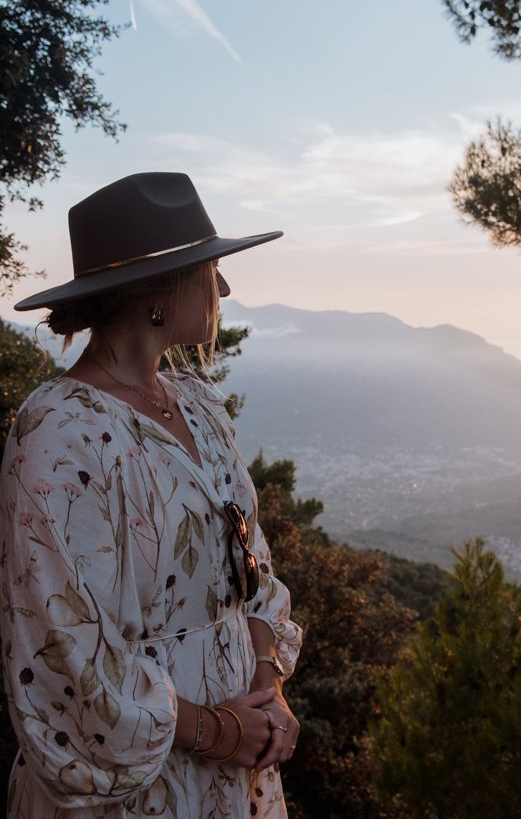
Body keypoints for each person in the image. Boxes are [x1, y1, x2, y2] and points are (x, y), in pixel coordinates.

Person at [0, 172, 302, 818]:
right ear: (159, 291)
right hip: (141, 782)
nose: (222, 287)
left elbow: (253, 568)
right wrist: (214, 731)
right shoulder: (60, 430)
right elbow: (58, 642)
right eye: (209, 269)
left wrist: (267, 686)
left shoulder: (198, 405)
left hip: (237, 767)